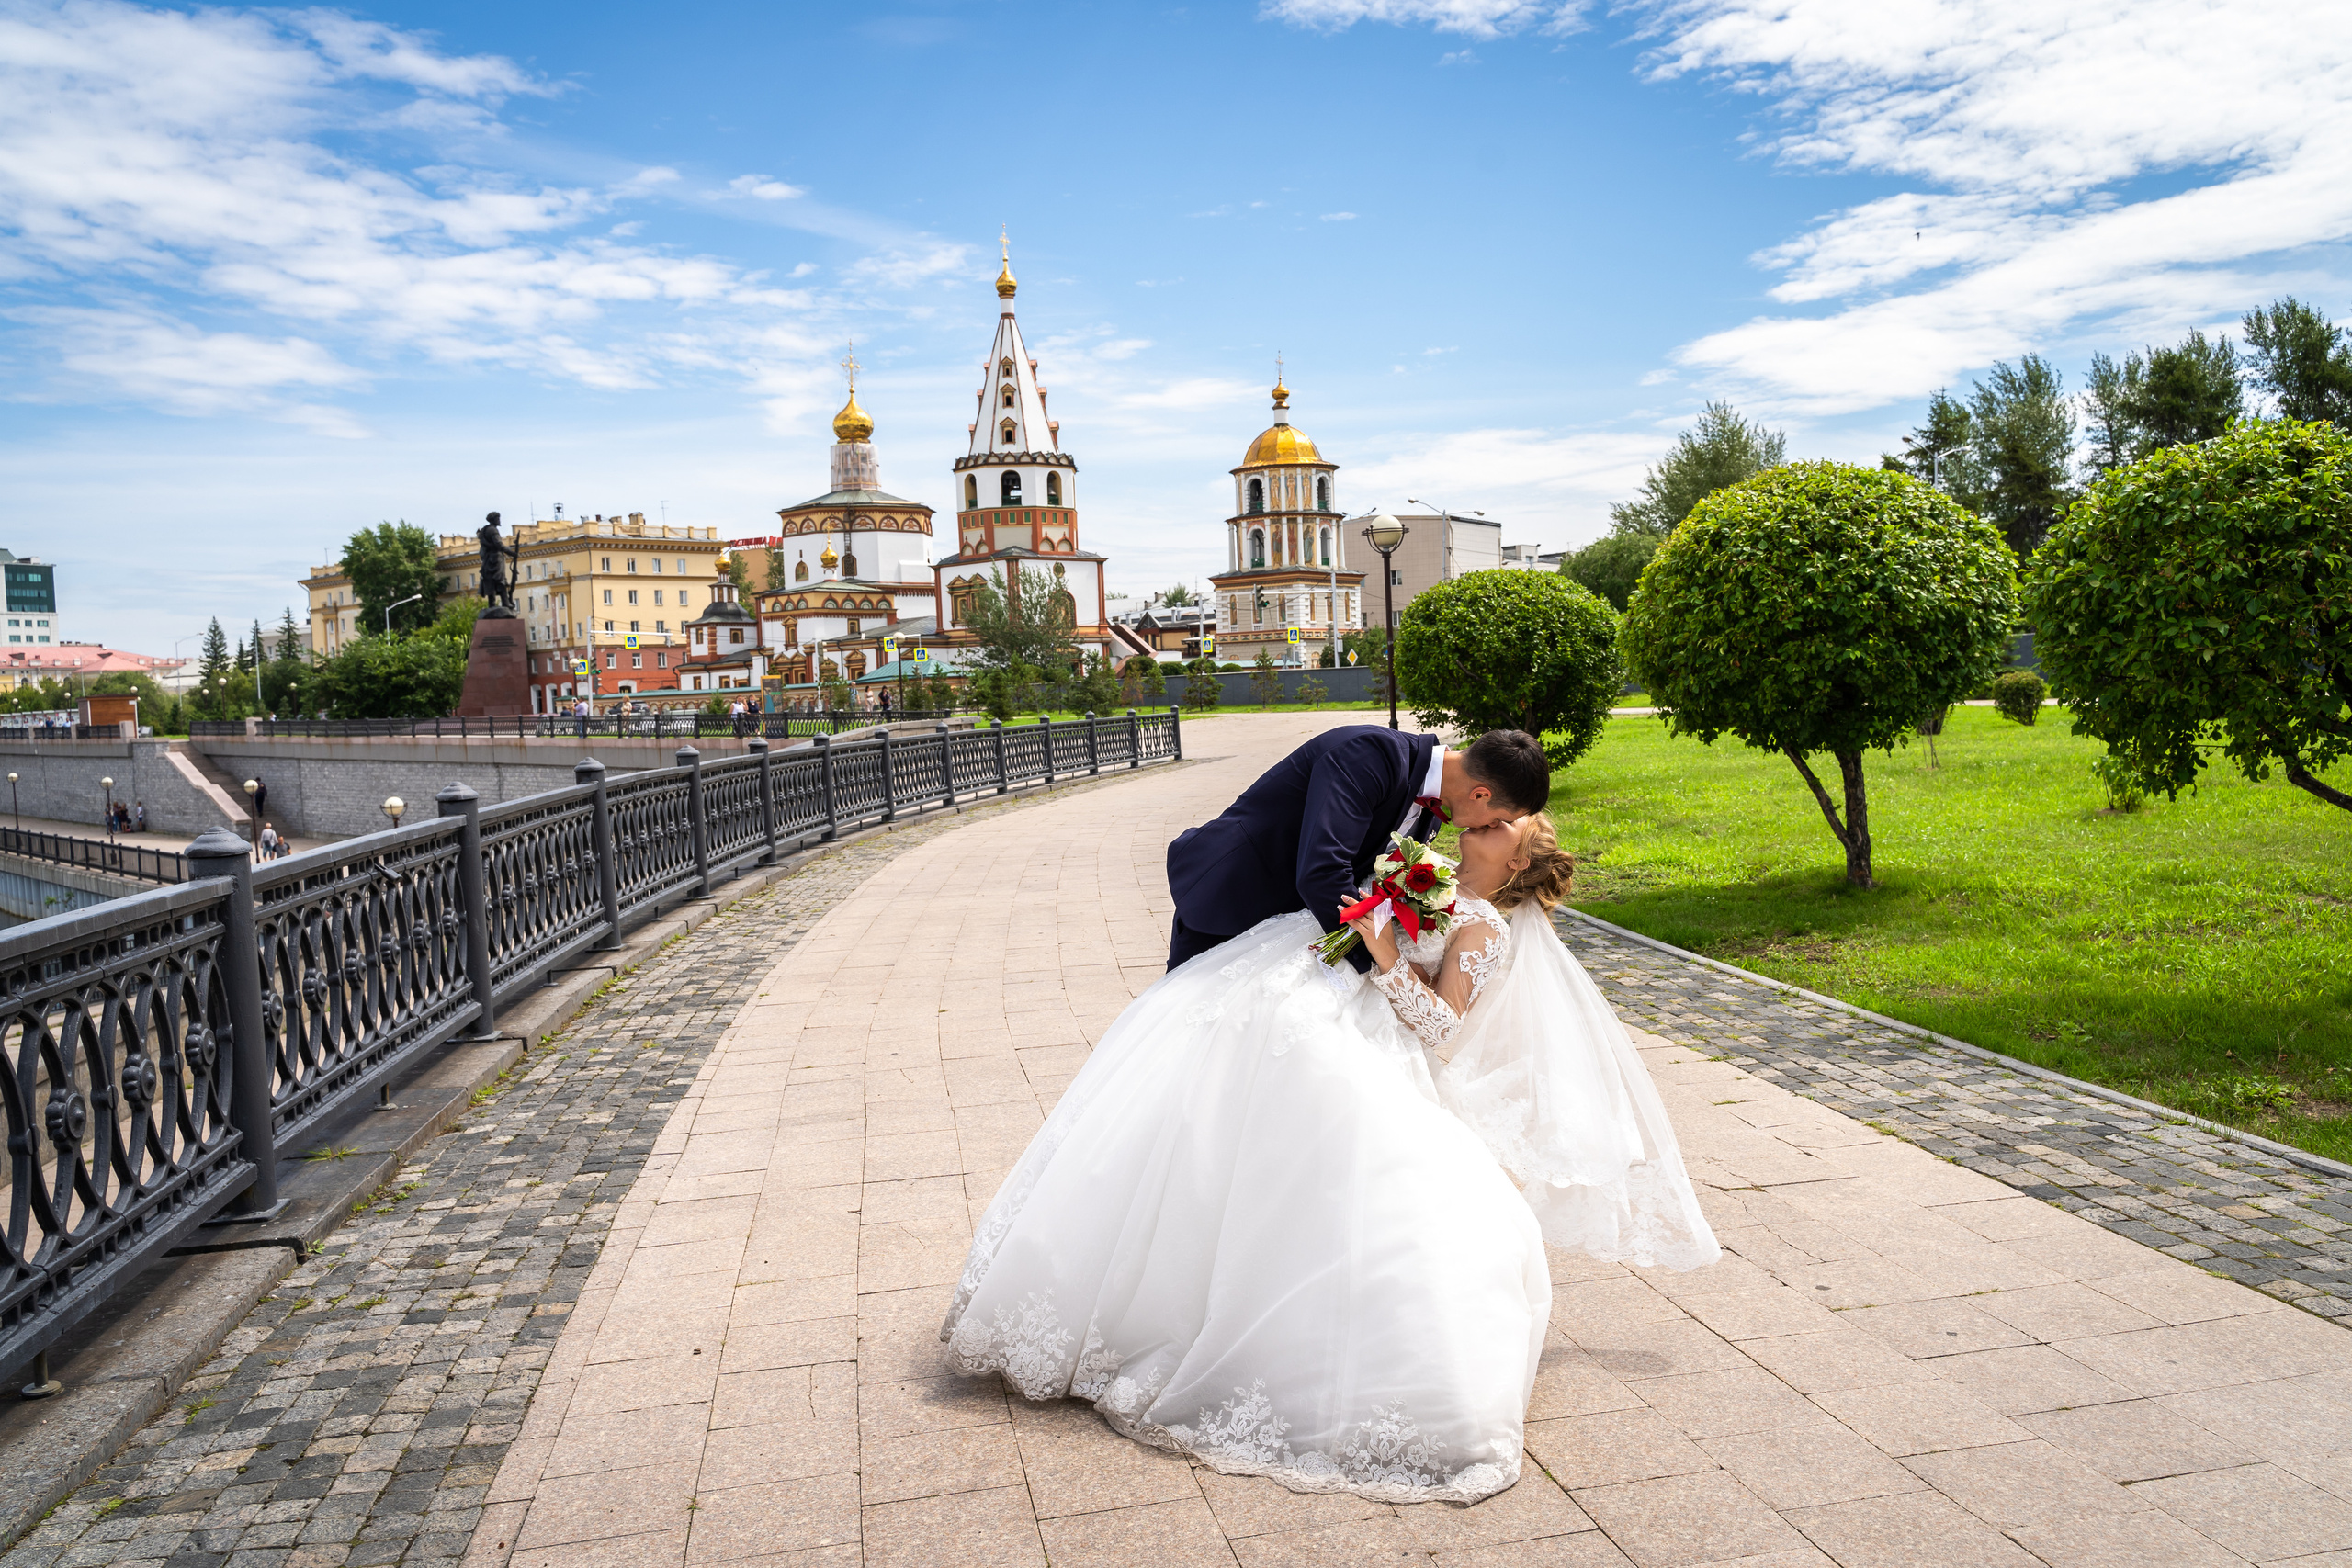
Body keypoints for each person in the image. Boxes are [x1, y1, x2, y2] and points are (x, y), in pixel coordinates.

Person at [942, 811, 1719, 1503]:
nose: (1471, 829)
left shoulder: (1485, 927)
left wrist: (1381, 950)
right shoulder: (1444, 885)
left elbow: (1443, 1025)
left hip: (1383, 1038)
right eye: (1480, 821)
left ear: (1515, 862)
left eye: (1491, 831)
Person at [1161, 726, 1545, 971]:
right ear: (1480, 794)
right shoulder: (1371, 755)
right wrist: (1378, 963)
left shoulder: (1430, 812)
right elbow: (1324, 870)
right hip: (1232, 891)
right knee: (1174, 1038)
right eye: (1497, 818)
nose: (1489, 827)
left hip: (1280, 928)